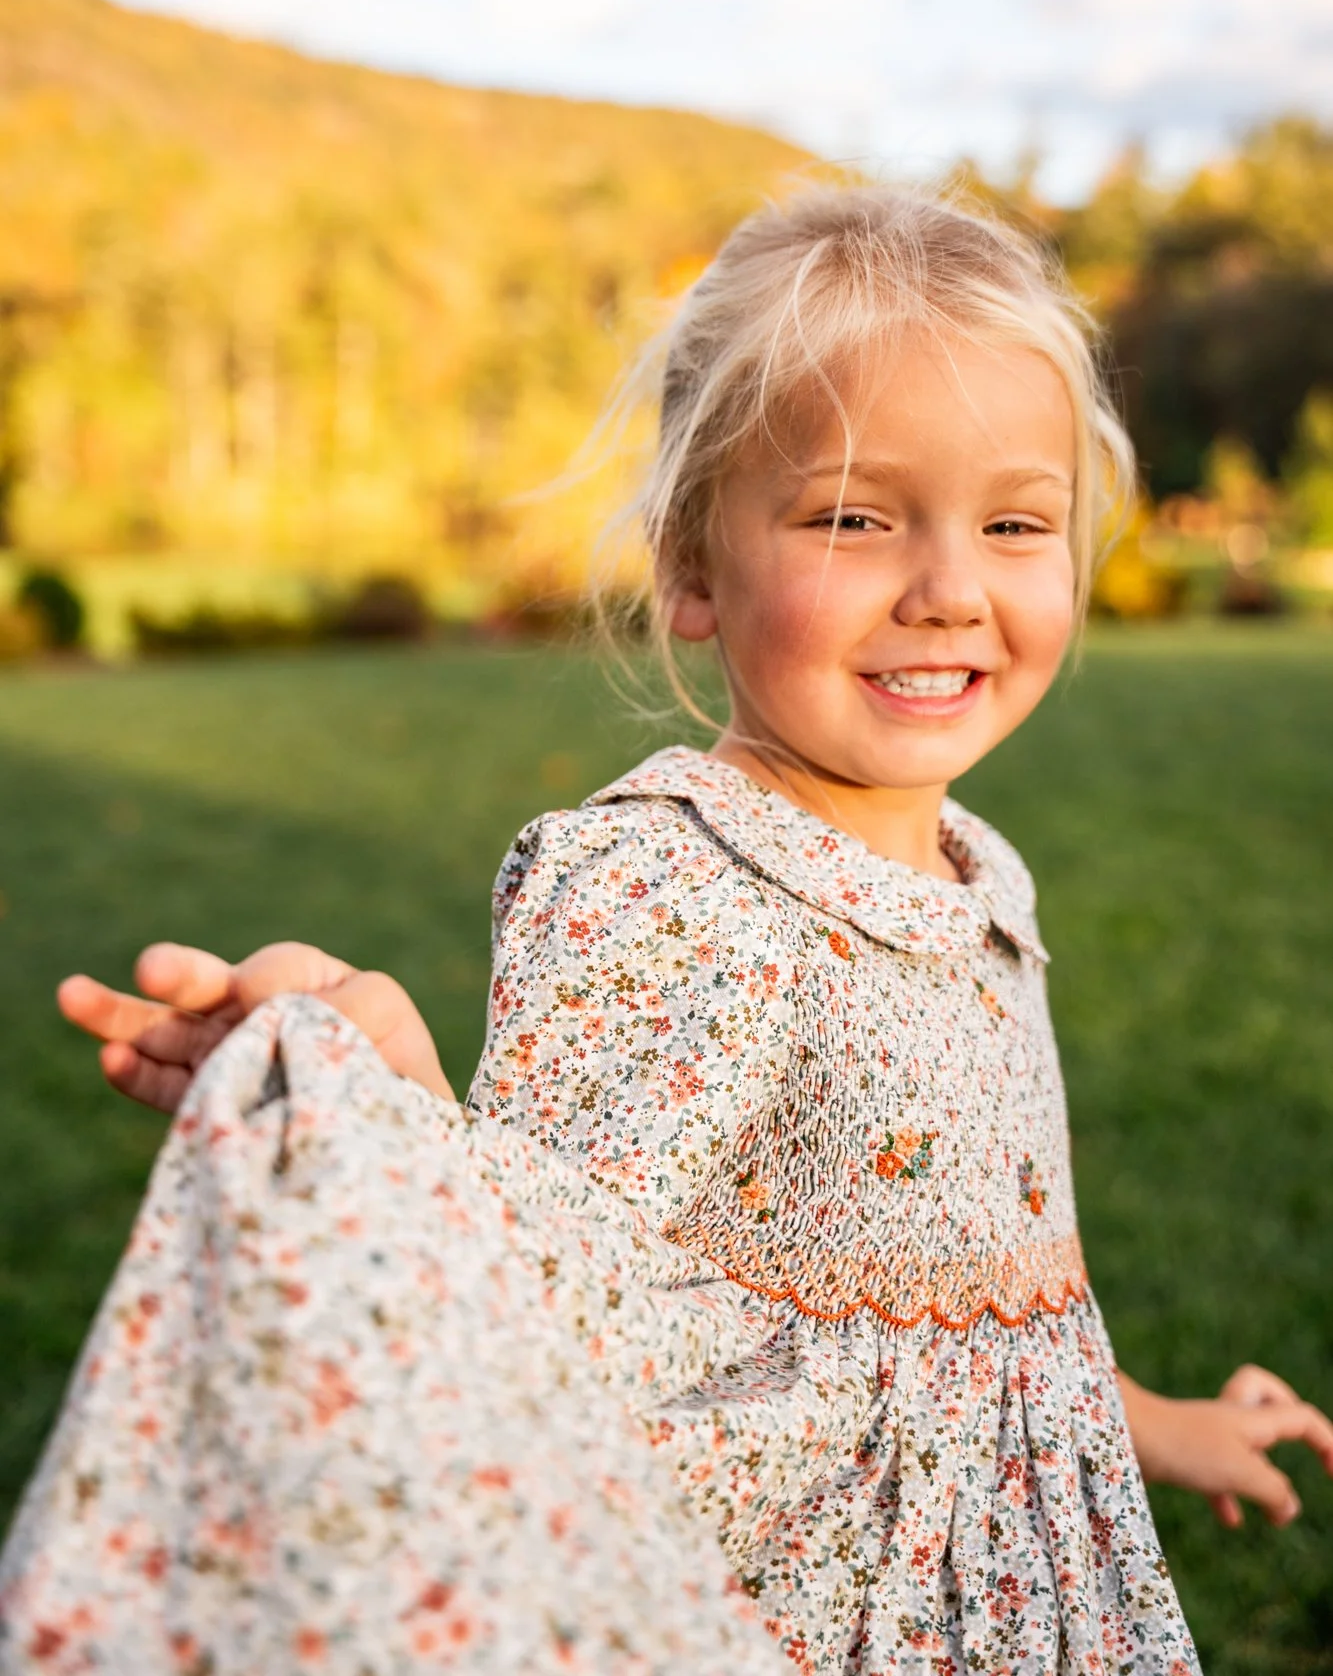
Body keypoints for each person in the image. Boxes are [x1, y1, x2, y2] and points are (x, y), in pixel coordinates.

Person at [5, 187, 1331, 1675]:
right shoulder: (667, 890)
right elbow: (555, 1294)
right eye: (850, 515)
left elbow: (990, 1321)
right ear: (694, 570)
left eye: (1015, 523)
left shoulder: (981, 874)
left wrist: (1162, 1427)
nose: (952, 588)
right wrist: (398, 1107)